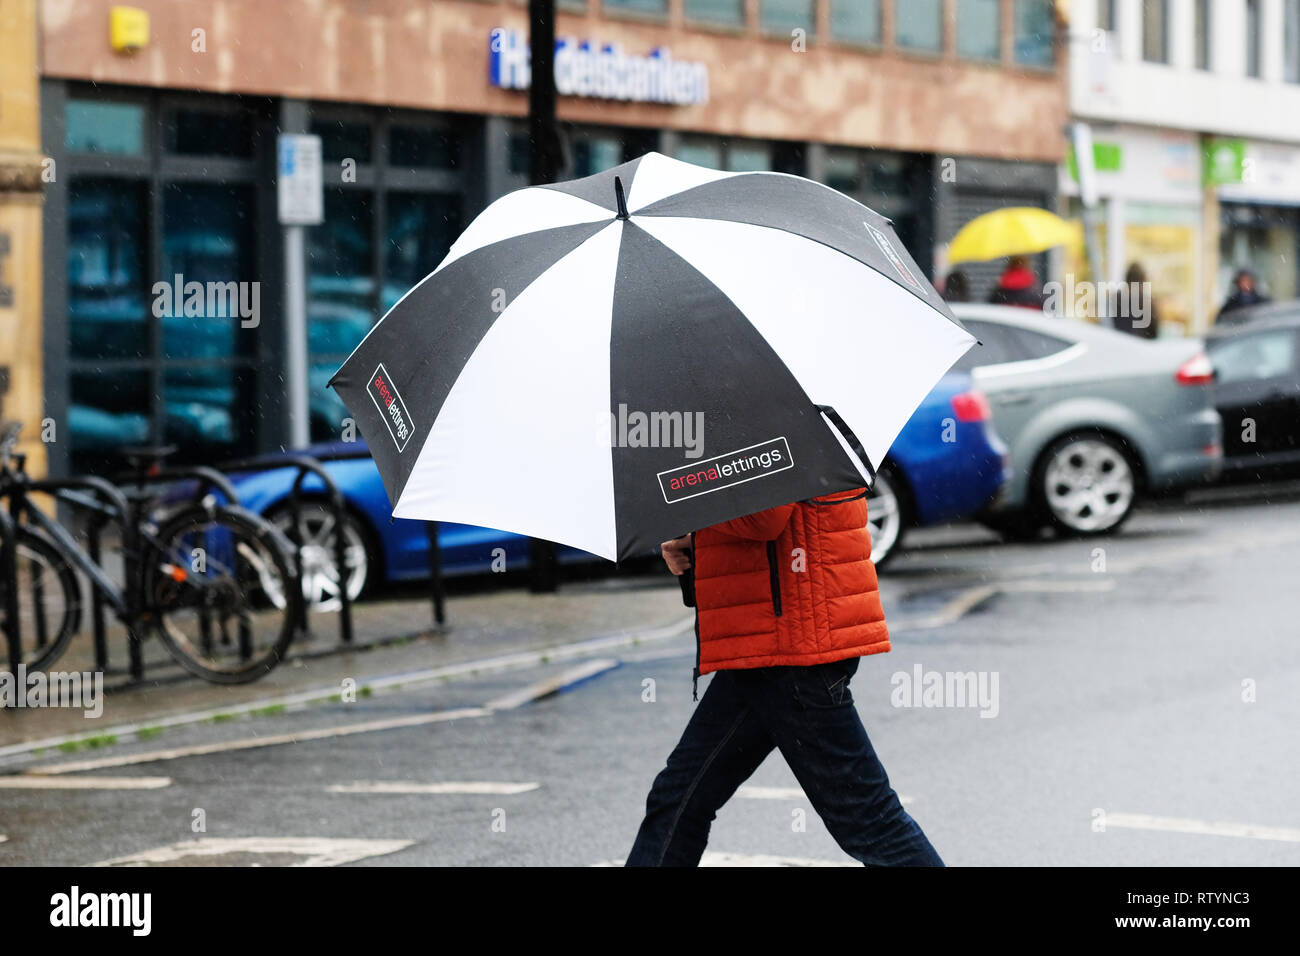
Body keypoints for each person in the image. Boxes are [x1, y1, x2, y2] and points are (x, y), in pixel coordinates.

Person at [625, 489, 943, 867]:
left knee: (868, 820)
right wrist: (698, 542)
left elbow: (767, 516)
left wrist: (698, 524)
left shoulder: (774, 445)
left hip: (791, 647)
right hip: (770, 642)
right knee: (680, 799)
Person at [1110, 262, 1159, 339]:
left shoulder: (1114, 298)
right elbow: (1154, 333)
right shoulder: (1145, 302)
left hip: (1117, 341)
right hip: (1137, 343)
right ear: (1142, 281)